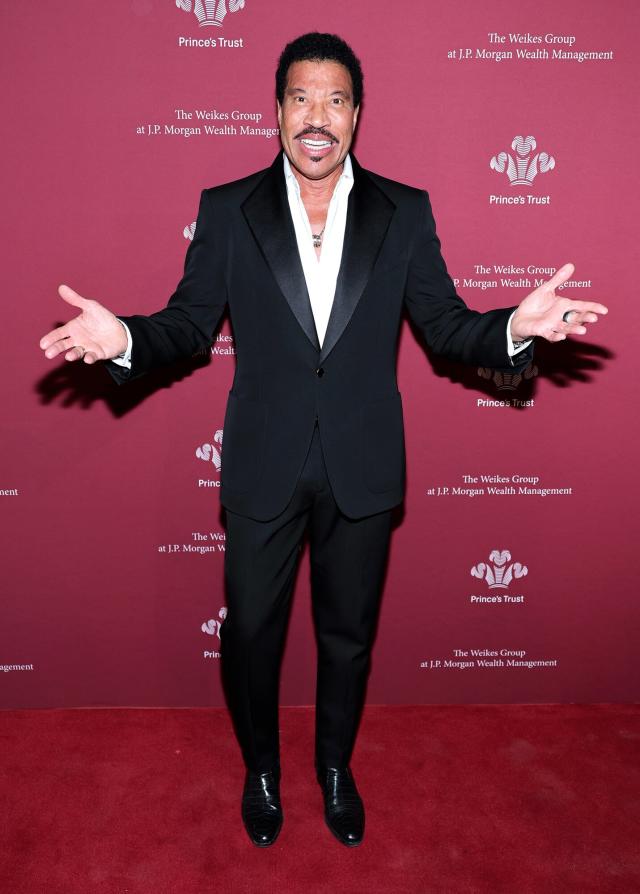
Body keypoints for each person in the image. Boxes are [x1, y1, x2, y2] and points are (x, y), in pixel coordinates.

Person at [39, 32, 608, 848]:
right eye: (301, 97)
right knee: (252, 636)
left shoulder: (402, 211)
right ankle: (262, 769)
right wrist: (125, 337)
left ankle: (335, 768)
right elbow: (188, 327)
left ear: (357, 116)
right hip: (264, 462)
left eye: (335, 100)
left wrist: (513, 327)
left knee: (347, 636)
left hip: (363, 464)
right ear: (276, 111)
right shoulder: (227, 208)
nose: (317, 116)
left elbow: (445, 327)